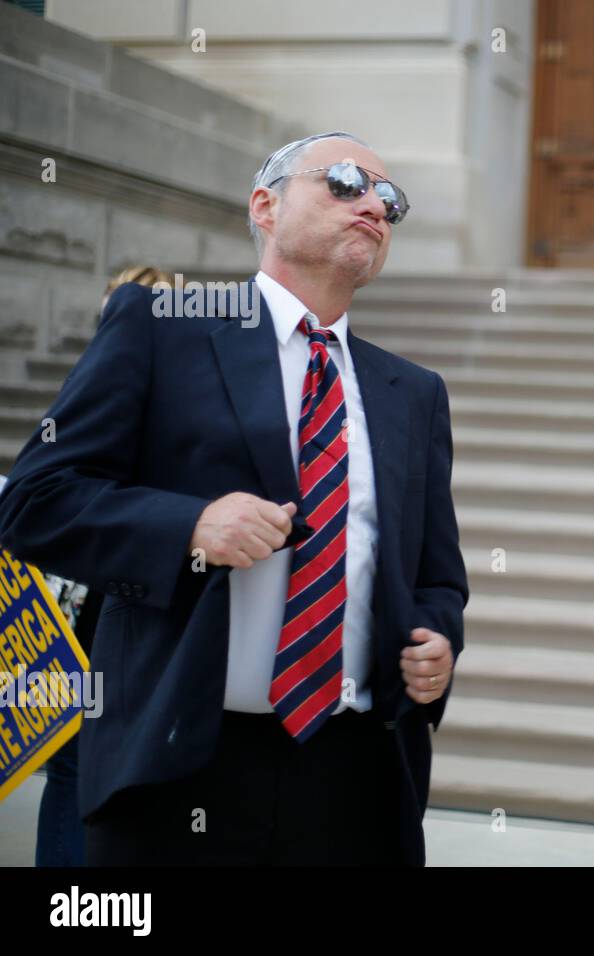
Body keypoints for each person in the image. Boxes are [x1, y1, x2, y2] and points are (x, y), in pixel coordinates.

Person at [0, 131, 468, 865]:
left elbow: (436, 576)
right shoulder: (160, 328)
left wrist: (437, 640)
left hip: (354, 777)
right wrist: (189, 525)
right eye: (344, 181)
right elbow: (35, 500)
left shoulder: (413, 393)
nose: (374, 204)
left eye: (390, 199)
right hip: (182, 763)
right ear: (266, 205)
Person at [27, 266, 172, 867]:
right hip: (77, 610)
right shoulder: (98, 389)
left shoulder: (166, 401)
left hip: (121, 607)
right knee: (72, 765)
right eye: (114, 310)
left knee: (87, 765)